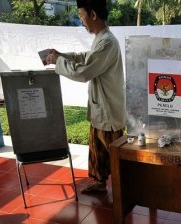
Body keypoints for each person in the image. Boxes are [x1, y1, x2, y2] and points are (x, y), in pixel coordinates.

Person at [45, 0, 126, 194]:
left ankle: (126, 188)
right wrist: (62, 55)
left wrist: (59, 61)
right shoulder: (101, 38)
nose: (81, 20)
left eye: (82, 15)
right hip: (101, 107)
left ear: (94, 15)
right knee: (97, 148)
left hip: (108, 109)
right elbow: (85, 57)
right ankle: (100, 182)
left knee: (114, 153)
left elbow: (84, 71)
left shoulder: (107, 41)